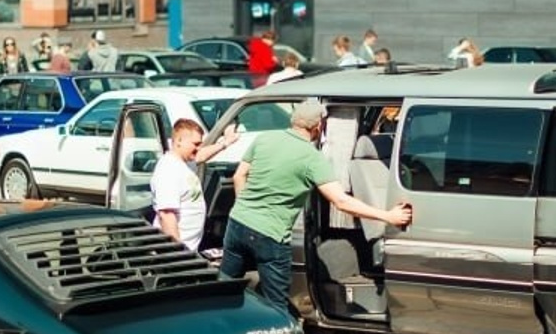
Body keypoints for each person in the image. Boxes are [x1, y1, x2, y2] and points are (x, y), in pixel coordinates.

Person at [220, 99, 412, 316]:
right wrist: (388, 216)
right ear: (318, 126)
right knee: (275, 306)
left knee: (224, 292)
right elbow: (341, 201)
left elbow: (239, 176)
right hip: (270, 235)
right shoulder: (312, 158)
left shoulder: (265, 139)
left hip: (237, 224)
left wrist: (244, 207)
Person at [150, 118, 240, 251]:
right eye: (196, 144)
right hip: (175, 254)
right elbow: (167, 215)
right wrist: (177, 252)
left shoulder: (183, 162)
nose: (199, 148)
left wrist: (225, 142)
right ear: (179, 141)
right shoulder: (168, 170)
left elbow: (201, 156)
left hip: (189, 250)